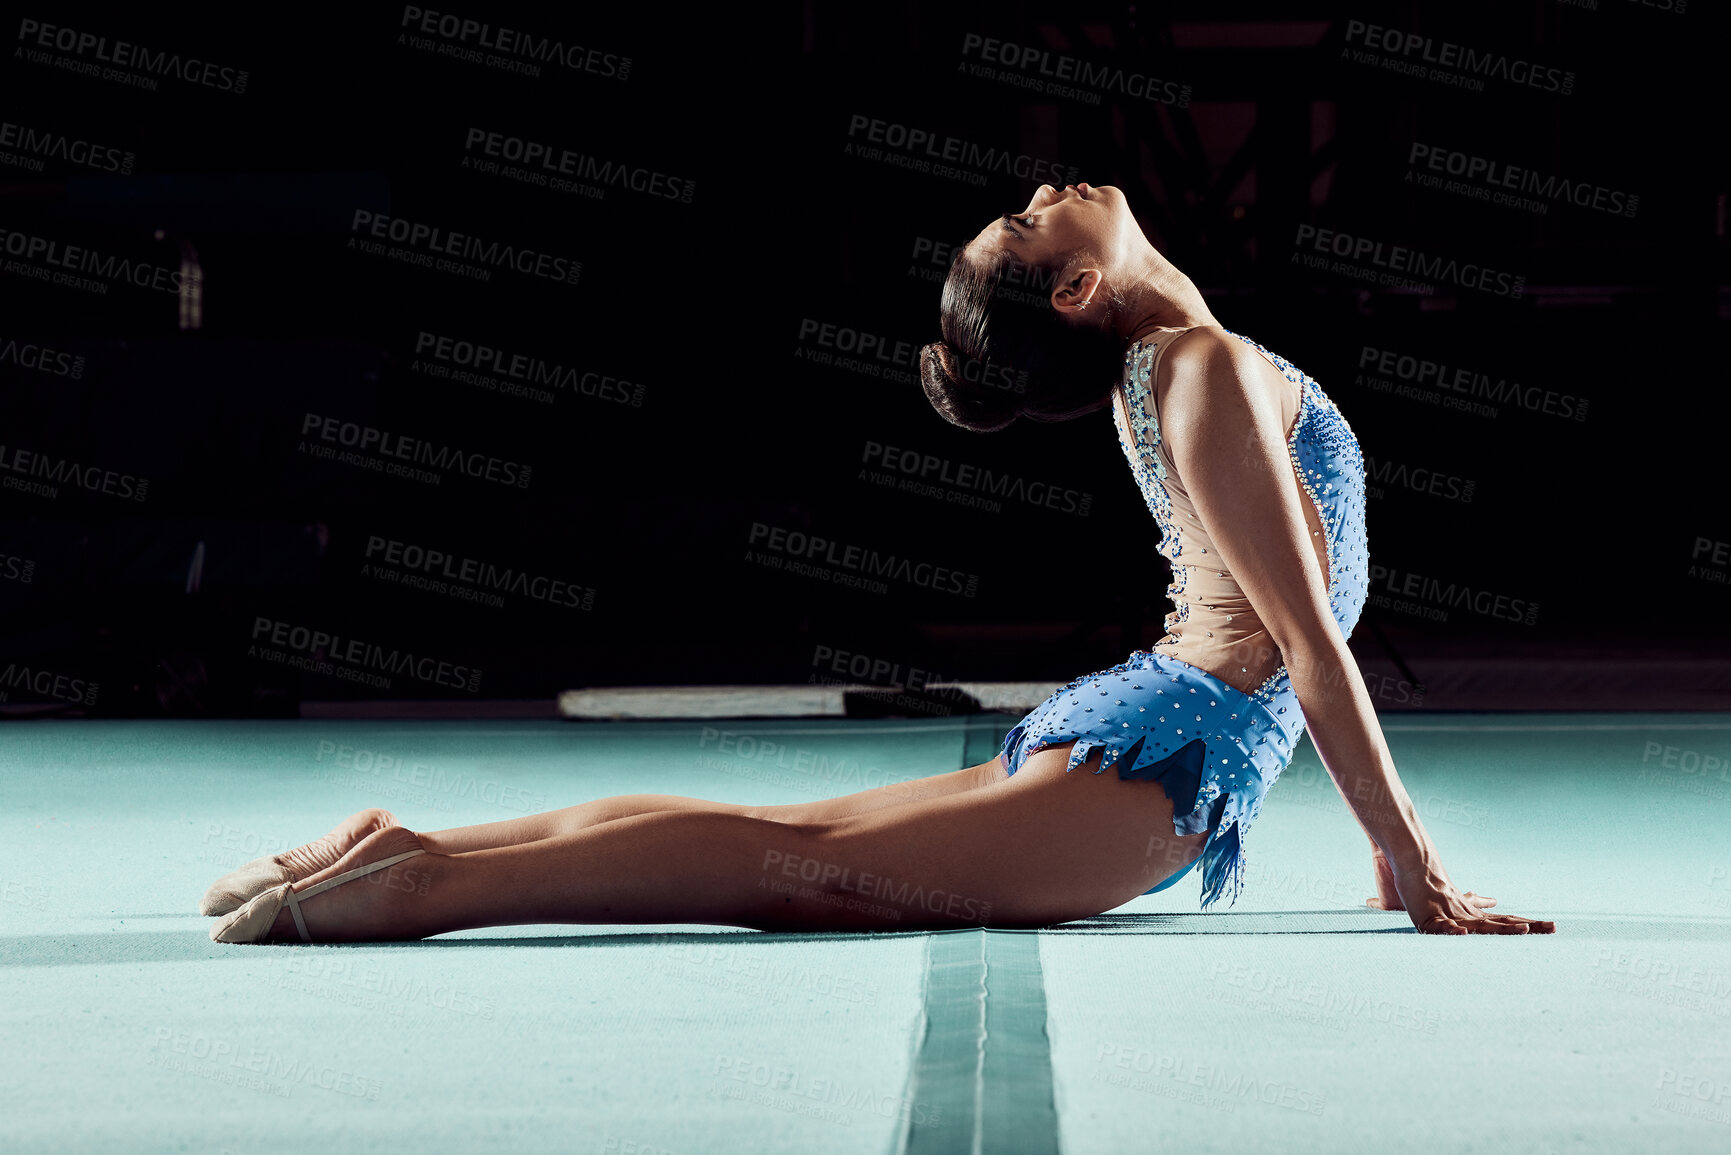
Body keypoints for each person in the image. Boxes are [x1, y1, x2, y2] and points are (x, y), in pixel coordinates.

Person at [204, 183, 1553, 943]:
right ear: (1077, 294)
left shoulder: (1181, 368)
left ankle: (411, 845)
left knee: (795, 850)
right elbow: (1309, 648)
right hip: (1164, 757)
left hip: (1155, 730)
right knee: (799, 871)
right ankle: (425, 885)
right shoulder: (1194, 368)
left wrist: (1382, 850)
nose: (1040, 197)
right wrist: (1414, 864)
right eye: (1028, 231)